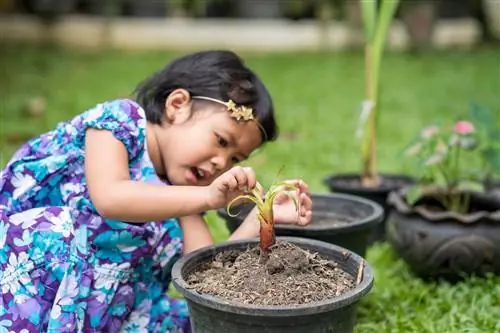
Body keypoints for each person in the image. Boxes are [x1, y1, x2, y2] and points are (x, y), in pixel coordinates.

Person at [0, 50, 313, 333]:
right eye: (221, 141)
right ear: (177, 105)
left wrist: (258, 221)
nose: (221, 163)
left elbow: (207, 275)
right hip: (29, 269)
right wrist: (206, 197)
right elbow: (110, 197)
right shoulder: (120, 124)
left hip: (106, 306)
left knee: (194, 322)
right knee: (61, 234)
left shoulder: (185, 195)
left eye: (235, 159)